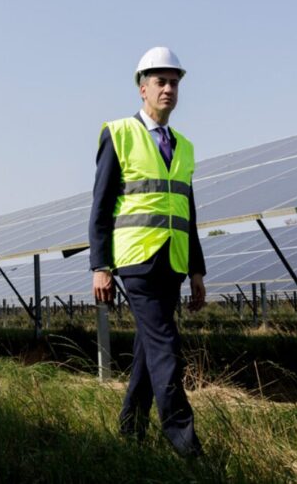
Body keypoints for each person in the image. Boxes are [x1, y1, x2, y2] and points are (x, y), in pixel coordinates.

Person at [88, 46, 206, 457]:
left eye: (174, 82)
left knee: (148, 351)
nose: (168, 89)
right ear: (143, 88)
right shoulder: (118, 133)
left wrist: (196, 271)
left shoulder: (185, 146)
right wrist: (100, 265)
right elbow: (101, 206)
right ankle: (185, 444)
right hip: (136, 261)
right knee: (166, 350)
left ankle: (130, 432)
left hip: (172, 262)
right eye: (161, 82)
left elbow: (187, 213)